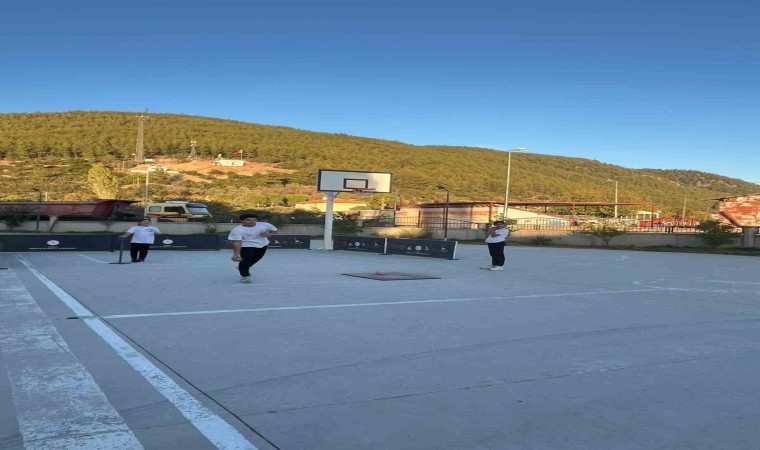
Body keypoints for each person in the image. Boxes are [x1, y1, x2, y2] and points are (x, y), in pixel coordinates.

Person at [228, 213, 278, 283]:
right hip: (246, 245)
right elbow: (237, 242)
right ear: (242, 221)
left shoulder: (264, 225)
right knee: (246, 260)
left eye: (254, 220)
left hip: (262, 245)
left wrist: (269, 234)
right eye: (248, 220)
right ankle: (245, 276)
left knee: (256, 259)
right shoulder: (237, 230)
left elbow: (275, 230)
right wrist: (236, 254)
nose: (252, 222)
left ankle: (241, 267)